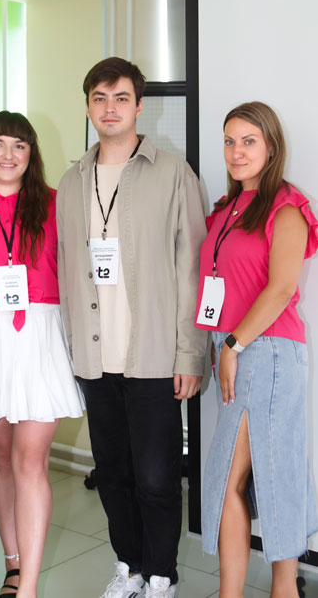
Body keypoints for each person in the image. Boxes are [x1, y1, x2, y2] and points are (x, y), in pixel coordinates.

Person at [56, 57, 207, 598]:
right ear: (88, 107)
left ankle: (162, 575)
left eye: (121, 98)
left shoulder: (173, 174)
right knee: (113, 474)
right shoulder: (71, 182)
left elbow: (193, 270)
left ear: (139, 106)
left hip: (154, 356)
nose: (110, 108)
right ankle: (130, 567)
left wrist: (190, 354)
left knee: (157, 479)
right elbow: (65, 269)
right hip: (96, 360)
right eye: (99, 98)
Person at [0, 110, 84, 598]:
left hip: (41, 336)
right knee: (1, 457)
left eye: (19, 145)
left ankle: (28, 588)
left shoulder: (55, 201)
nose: (8, 154)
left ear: (32, 154)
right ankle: (12, 563)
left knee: (30, 461)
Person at [195, 101, 318, 597]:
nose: (236, 152)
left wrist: (232, 344)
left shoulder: (286, 206)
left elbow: (282, 288)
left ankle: (279, 589)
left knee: (255, 474)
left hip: (268, 353)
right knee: (257, 474)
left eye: (249, 141)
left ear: (271, 147)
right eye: (229, 141)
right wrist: (220, 344)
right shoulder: (227, 209)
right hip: (237, 350)